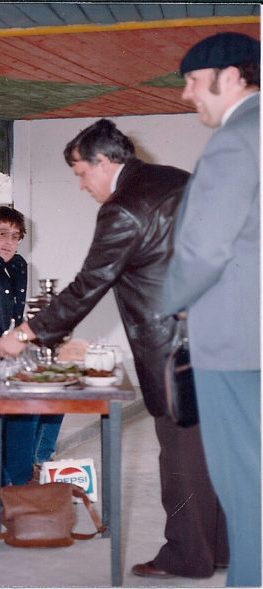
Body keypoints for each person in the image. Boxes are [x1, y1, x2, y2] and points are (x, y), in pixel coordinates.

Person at [0, 119, 229, 579]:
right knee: (205, 449)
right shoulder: (177, 180)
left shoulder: (125, 207)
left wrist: (24, 334)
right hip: (216, 333)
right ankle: (217, 549)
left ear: (104, 162)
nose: (81, 185)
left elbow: (88, 285)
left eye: (81, 172)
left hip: (174, 347)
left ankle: (188, 556)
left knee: (180, 454)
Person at [162, 32, 260, 587]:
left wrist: (165, 304)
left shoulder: (235, 139)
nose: (185, 95)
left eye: (193, 83)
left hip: (236, 343)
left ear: (230, 77)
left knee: (246, 488)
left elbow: (203, 251)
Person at [0, 205, 63, 484]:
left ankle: (39, 459)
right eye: (1, 233)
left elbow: (18, 317)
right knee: (31, 396)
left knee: (56, 387)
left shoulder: (19, 265)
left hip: (13, 349)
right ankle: (25, 468)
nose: (8, 241)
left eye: (15, 236)